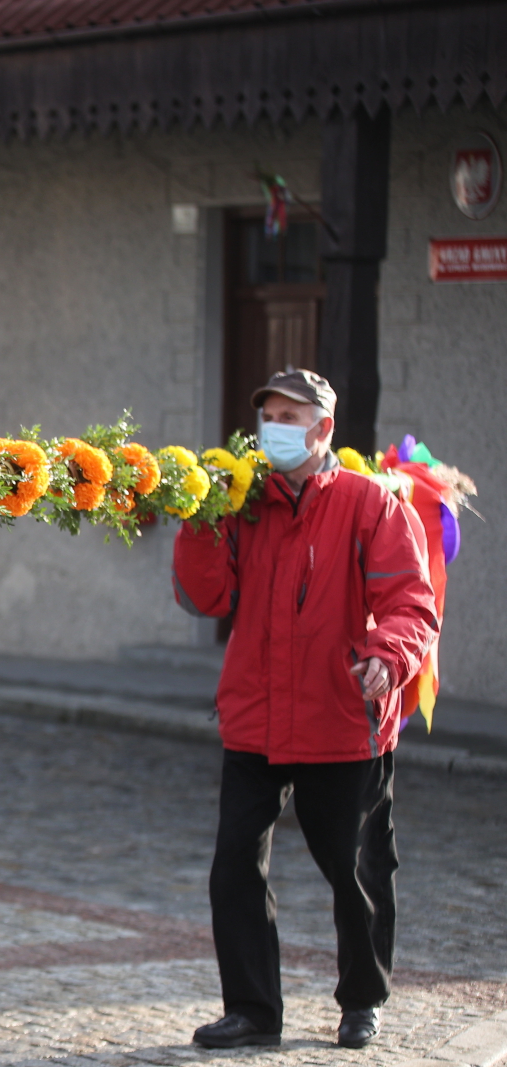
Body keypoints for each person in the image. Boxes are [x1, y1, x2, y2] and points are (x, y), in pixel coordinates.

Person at [173, 370, 439, 1051]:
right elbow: (205, 597)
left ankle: (362, 999)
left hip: (343, 716)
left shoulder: (369, 503)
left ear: (323, 428)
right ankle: (253, 1009)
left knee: (355, 869)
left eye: (291, 415)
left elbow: (412, 602)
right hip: (256, 715)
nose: (275, 428)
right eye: (268, 415)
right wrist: (201, 520)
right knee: (234, 866)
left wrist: (387, 655)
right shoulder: (242, 501)